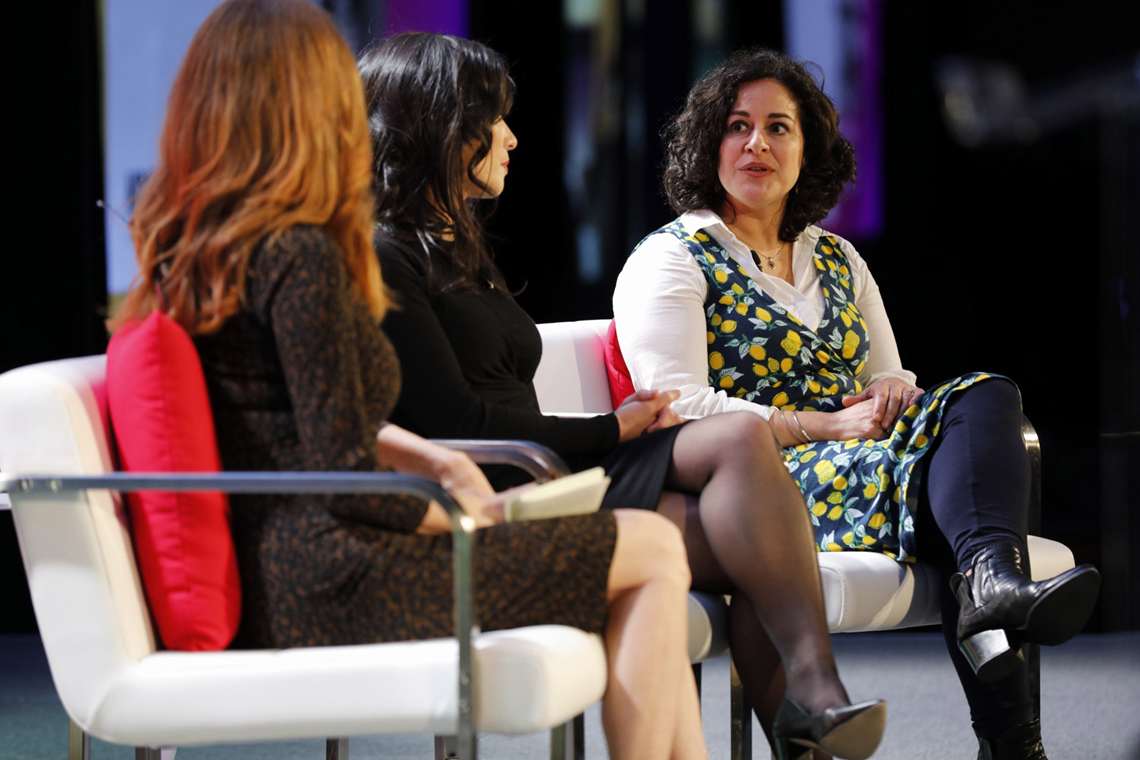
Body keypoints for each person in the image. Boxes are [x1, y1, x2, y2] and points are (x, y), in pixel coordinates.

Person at [108, 3, 706, 758]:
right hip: (335, 579)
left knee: (646, 549)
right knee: (652, 547)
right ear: (309, 106)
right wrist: (473, 516)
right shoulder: (302, 256)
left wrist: (437, 464)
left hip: (292, 565)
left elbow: (295, 423)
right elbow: (347, 480)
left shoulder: (205, 251)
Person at [362, 32, 887, 760]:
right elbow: (459, 421)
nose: (512, 137)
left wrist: (615, 430)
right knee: (741, 463)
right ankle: (814, 700)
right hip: (507, 484)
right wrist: (613, 429)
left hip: (546, 468)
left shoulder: (453, 245)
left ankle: (811, 713)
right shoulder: (385, 256)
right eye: (494, 119)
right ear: (440, 127)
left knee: (750, 528)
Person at [612, 47, 1101, 760]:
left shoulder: (838, 257)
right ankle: (1011, 723)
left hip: (868, 456)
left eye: (778, 127)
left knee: (985, 393)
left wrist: (891, 390)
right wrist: (823, 424)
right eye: (737, 126)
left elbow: (890, 372)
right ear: (708, 143)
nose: (756, 143)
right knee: (955, 492)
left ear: (806, 149)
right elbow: (677, 408)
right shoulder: (674, 257)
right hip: (762, 485)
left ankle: (990, 578)